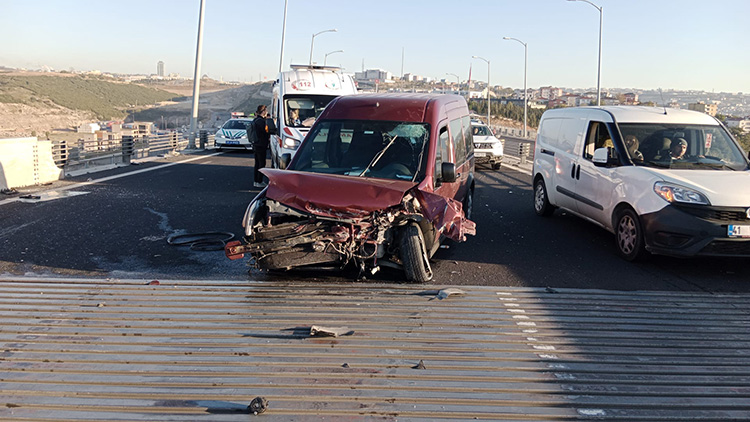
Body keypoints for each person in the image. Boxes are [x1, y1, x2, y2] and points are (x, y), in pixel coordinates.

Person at [252, 105, 271, 188]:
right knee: (261, 163)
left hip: (256, 144)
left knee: (257, 163)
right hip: (261, 144)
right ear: (263, 111)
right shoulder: (261, 121)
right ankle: (259, 181)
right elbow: (265, 132)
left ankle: (256, 180)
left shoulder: (255, 120)